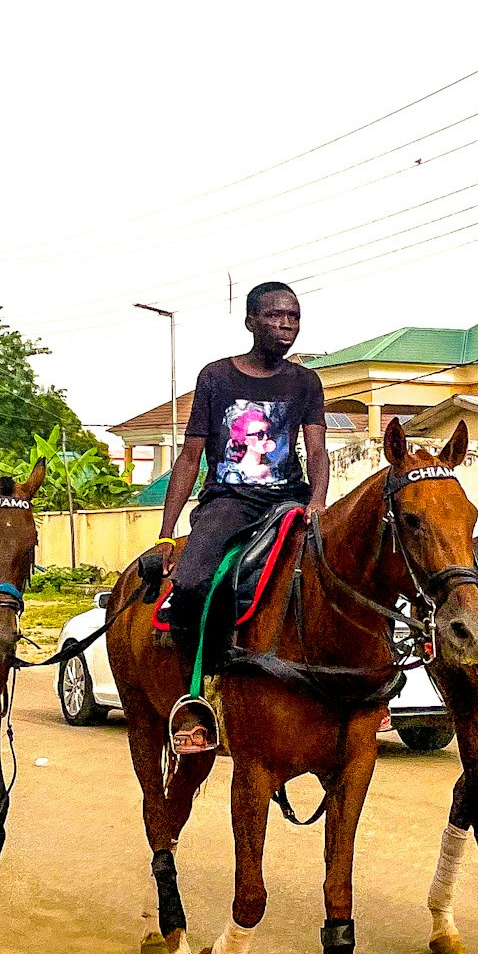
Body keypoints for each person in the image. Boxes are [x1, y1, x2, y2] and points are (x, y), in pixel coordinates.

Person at [153, 281, 328, 749]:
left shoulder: (305, 382)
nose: (286, 325)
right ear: (250, 321)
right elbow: (190, 457)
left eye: (293, 317)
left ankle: (357, 695)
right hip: (228, 502)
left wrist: (316, 502)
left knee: (345, 566)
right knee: (191, 584)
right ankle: (201, 695)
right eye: (275, 316)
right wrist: (168, 533)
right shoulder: (216, 378)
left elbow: (316, 451)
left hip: (288, 500)